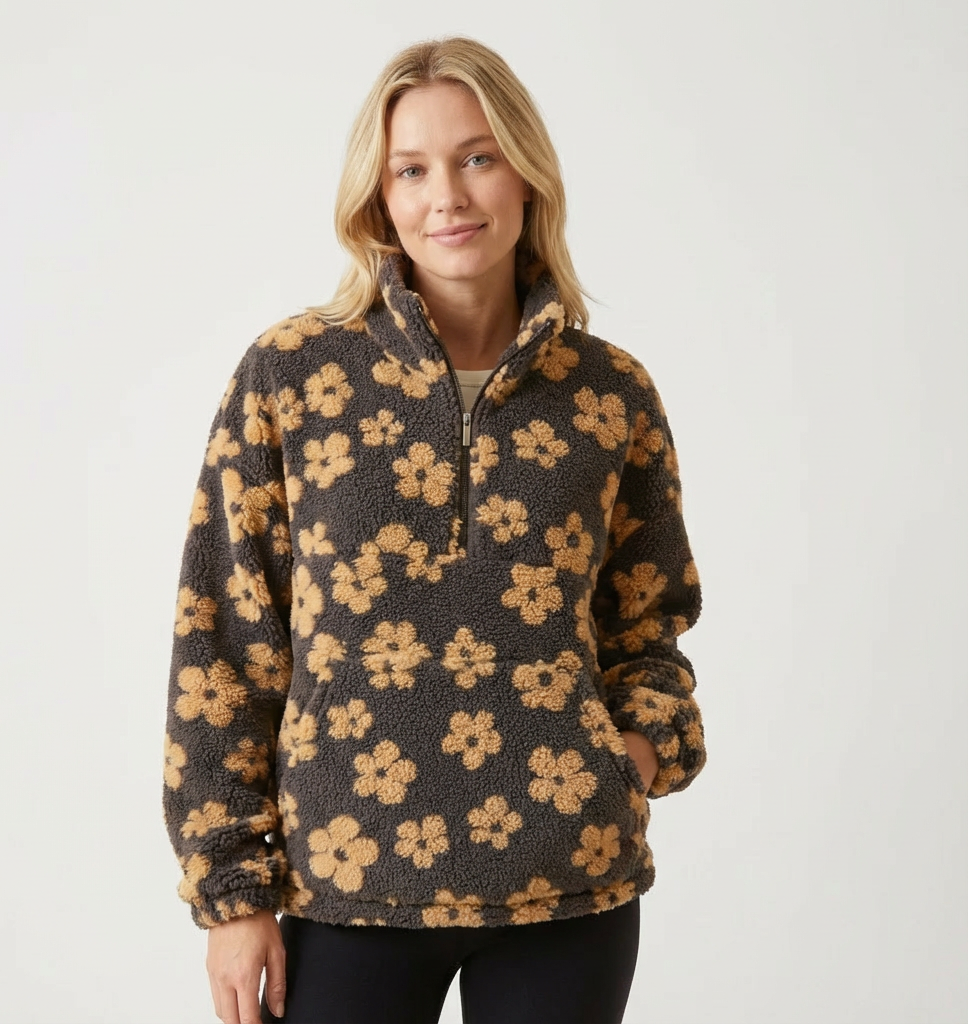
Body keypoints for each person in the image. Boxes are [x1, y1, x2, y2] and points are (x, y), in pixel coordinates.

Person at [162, 35, 708, 1024]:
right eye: (411, 169)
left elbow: (648, 623)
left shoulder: (608, 394)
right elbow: (224, 642)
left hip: (567, 888)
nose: (447, 197)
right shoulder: (290, 376)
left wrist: (627, 759)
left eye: (476, 157)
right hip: (342, 889)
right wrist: (232, 895)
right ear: (378, 197)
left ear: (526, 172)